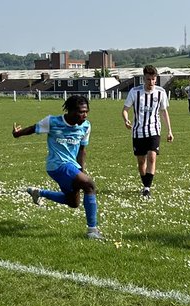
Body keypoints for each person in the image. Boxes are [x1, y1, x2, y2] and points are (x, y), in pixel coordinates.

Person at [13, 94, 102, 239]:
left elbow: (82, 150)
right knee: (90, 185)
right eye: (81, 112)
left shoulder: (86, 126)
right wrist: (17, 134)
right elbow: (33, 128)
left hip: (71, 167)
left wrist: (80, 171)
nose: (84, 115)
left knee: (73, 202)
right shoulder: (52, 121)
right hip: (57, 165)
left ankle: (39, 192)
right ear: (71, 111)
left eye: (86, 112)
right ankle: (92, 231)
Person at [122, 65, 174, 199]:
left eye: (153, 79)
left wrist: (169, 131)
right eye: (148, 79)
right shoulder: (134, 92)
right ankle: (145, 185)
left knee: (152, 157)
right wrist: (126, 120)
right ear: (143, 79)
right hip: (138, 132)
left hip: (154, 130)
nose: (151, 82)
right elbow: (125, 110)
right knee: (141, 162)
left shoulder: (161, 92)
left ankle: (147, 188)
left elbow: (164, 112)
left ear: (156, 79)